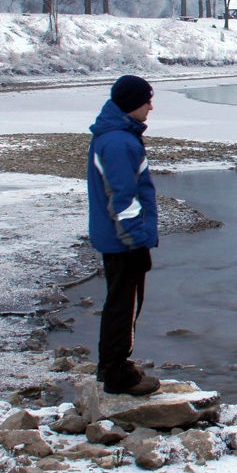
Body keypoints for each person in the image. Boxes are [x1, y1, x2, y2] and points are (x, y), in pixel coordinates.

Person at [87, 75, 162, 396]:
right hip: (123, 240)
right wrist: (136, 242)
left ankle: (112, 365)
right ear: (132, 103)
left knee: (119, 301)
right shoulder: (119, 142)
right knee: (122, 304)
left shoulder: (116, 136)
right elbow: (124, 199)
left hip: (117, 236)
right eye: (147, 100)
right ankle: (116, 372)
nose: (151, 105)